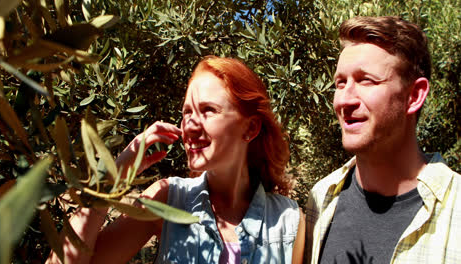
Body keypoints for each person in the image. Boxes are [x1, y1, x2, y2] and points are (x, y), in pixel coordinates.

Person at [47, 56, 305, 264]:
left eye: (208, 111)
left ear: (250, 129)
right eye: (186, 112)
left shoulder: (289, 221)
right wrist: (115, 173)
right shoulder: (168, 199)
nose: (190, 126)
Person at [305, 16, 461, 264]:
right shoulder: (321, 199)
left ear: (415, 95)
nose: (345, 100)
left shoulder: (456, 211)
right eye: (340, 83)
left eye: (366, 80)